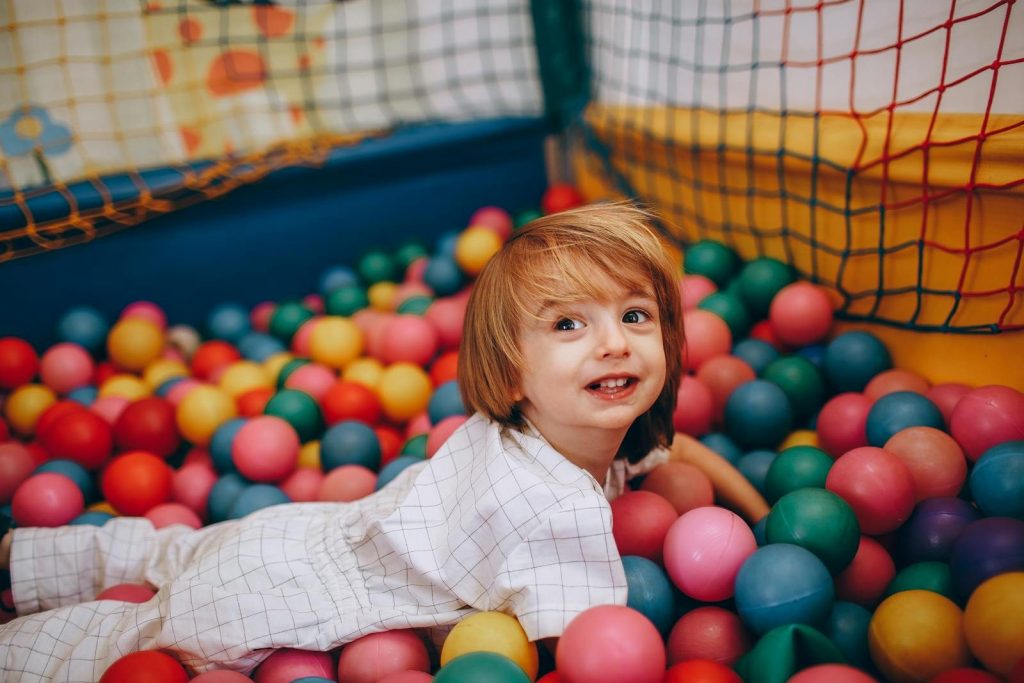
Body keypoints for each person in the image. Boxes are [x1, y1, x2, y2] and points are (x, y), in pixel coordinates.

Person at [0, 202, 767, 680]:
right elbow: (585, 647)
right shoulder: (557, 508)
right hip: (290, 602)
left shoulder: (549, 420)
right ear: (512, 375)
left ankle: (22, 554)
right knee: (118, 640)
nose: (613, 344)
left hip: (297, 532)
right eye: (569, 323)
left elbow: (670, 449)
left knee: (166, 549)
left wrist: (759, 515)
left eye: (636, 316)